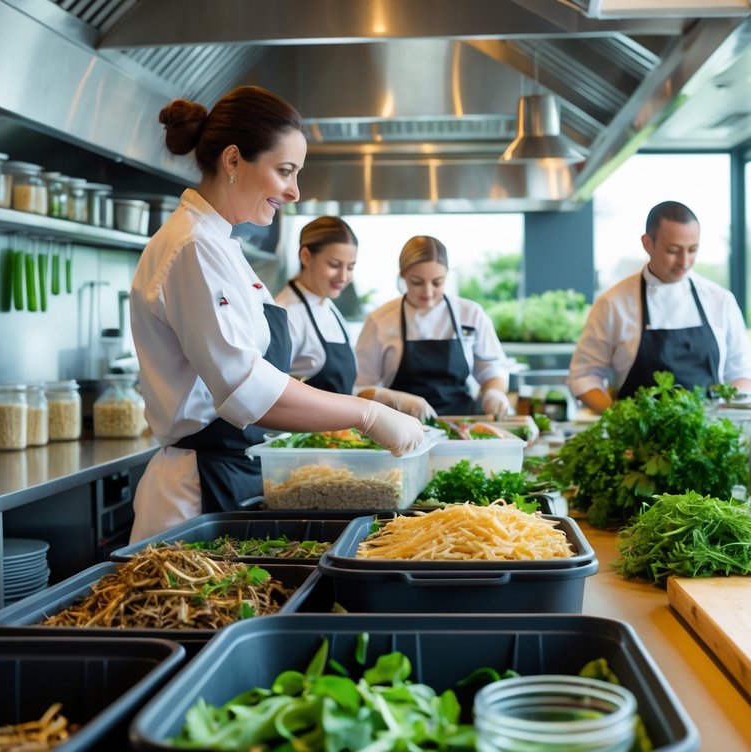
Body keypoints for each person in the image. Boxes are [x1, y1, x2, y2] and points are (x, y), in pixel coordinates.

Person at [128, 86, 422, 541]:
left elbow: (257, 373)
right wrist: (364, 415)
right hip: (197, 490)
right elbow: (248, 387)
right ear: (232, 160)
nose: (294, 191)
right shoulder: (194, 248)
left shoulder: (221, 245)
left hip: (232, 473)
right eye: (285, 171)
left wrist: (371, 402)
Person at [568, 200, 751, 414]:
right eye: (673, 250)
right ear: (647, 243)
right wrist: (619, 419)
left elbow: (745, 371)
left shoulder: (720, 300)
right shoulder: (613, 304)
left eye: (693, 250)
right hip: (636, 441)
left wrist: (729, 407)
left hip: (709, 435)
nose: (684, 262)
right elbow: (584, 376)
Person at [355, 235, 512, 418]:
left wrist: (494, 392)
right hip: (399, 432)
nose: (428, 292)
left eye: (437, 282)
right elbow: (360, 388)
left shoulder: (470, 313)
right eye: (417, 282)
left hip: (460, 426)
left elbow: (493, 369)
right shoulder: (380, 320)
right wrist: (395, 399)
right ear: (403, 275)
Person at [274, 216, 359, 394]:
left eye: (350, 267)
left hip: (339, 421)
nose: (343, 277)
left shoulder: (328, 306)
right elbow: (272, 393)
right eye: (334, 265)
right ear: (305, 256)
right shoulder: (286, 313)